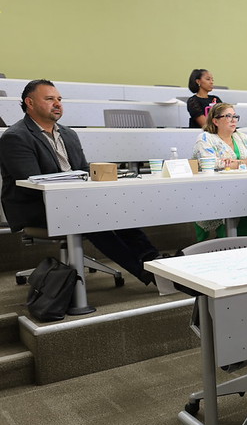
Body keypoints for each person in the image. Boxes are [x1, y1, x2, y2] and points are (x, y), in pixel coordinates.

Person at [0, 80, 160, 285]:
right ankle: (143, 272)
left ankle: (153, 261)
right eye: (49, 99)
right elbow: (33, 184)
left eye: (59, 99)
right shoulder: (16, 137)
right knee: (89, 215)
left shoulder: (68, 134)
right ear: (29, 103)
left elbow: (83, 170)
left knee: (118, 208)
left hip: (75, 200)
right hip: (37, 206)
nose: (57, 104)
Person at [192, 103, 247, 241]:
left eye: (235, 116)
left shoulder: (242, 137)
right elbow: (211, 162)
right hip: (215, 190)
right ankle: (230, 243)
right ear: (215, 121)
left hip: (244, 187)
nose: (233, 120)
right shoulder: (205, 138)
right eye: (228, 116)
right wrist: (243, 163)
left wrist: (233, 163)